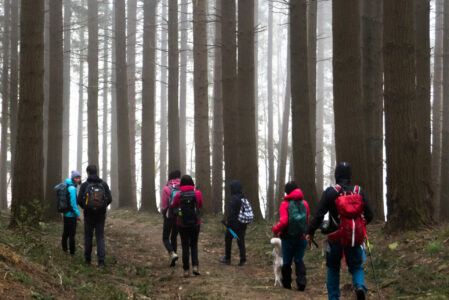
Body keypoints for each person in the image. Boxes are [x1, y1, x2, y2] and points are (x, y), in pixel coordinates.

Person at [307, 162, 374, 300]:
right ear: (350, 175)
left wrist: (311, 231)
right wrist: (359, 226)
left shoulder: (330, 192)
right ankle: (359, 286)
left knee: (332, 268)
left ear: (336, 175)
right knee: (356, 266)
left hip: (334, 238)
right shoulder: (358, 191)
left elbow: (319, 215)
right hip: (354, 237)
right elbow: (370, 215)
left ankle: (333, 297)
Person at [272, 181, 310, 291]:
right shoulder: (305, 203)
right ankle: (301, 282)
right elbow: (307, 221)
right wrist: (306, 233)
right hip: (301, 238)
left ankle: (287, 284)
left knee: (287, 261)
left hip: (288, 238)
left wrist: (275, 230)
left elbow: (284, 222)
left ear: (287, 192)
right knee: (299, 259)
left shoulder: (285, 204)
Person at [77, 165, 112, 267]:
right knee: (100, 237)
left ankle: (87, 260)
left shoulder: (84, 185)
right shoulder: (103, 184)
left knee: (88, 236)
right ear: (96, 172)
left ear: (88, 172)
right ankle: (101, 261)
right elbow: (109, 199)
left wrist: (86, 207)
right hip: (101, 214)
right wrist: (103, 207)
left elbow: (79, 200)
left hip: (88, 214)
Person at [171, 175, 203, 278]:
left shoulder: (178, 195)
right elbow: (200, 205)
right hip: (195, 223)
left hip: (182, 223)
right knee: (194, 245)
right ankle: (195, 267)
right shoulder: (197, 193)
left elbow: (174, 206)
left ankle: (186, 270)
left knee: (185, 246)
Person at [219, 180, 248, 266]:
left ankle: (227, 258)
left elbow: (232, 214)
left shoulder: (234, 199)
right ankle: (243, 260)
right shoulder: (243, 197)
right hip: (242, 224)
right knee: (240, 241)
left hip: (234, 226)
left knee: (228, 239)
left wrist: (228, 224)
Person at [161, 170, 181, 267]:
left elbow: (164, 205)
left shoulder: (167, 188)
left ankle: (172, 253)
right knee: (174, 237)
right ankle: (174, 259)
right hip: (180, 216)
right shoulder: (182, 187)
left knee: (165, 238)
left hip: (169, 216)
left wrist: (163, 213)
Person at [61, 171, 82, 256]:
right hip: (71, 215)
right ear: (73, 178)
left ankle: (64, 248)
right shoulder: (72, 189)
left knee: (65, 232)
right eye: (76, 178)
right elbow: (73, 203)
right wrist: (78, 214)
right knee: (71, 234)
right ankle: (72, 252)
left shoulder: (67, 186)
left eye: (79, 177)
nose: (78, 179)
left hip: (66, 213)